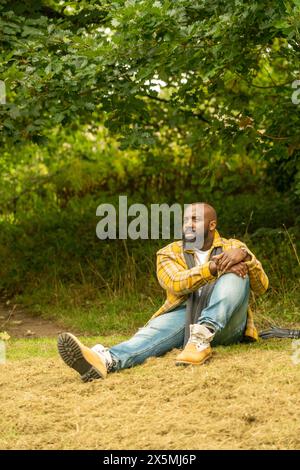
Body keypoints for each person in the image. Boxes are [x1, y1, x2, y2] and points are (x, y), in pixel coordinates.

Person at [57, 202, 269, 382]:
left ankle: (203, 334)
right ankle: (105, 360)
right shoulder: (169, 253)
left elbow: (261, 287)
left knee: (237, 274)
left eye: (195, 220)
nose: (188, 224)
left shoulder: (234, 246)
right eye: (186, 220)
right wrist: (214, 268)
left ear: (212, 225)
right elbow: (176, 283)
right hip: (185, 318)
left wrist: (246, 257)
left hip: (229, 325)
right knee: (150, 336)